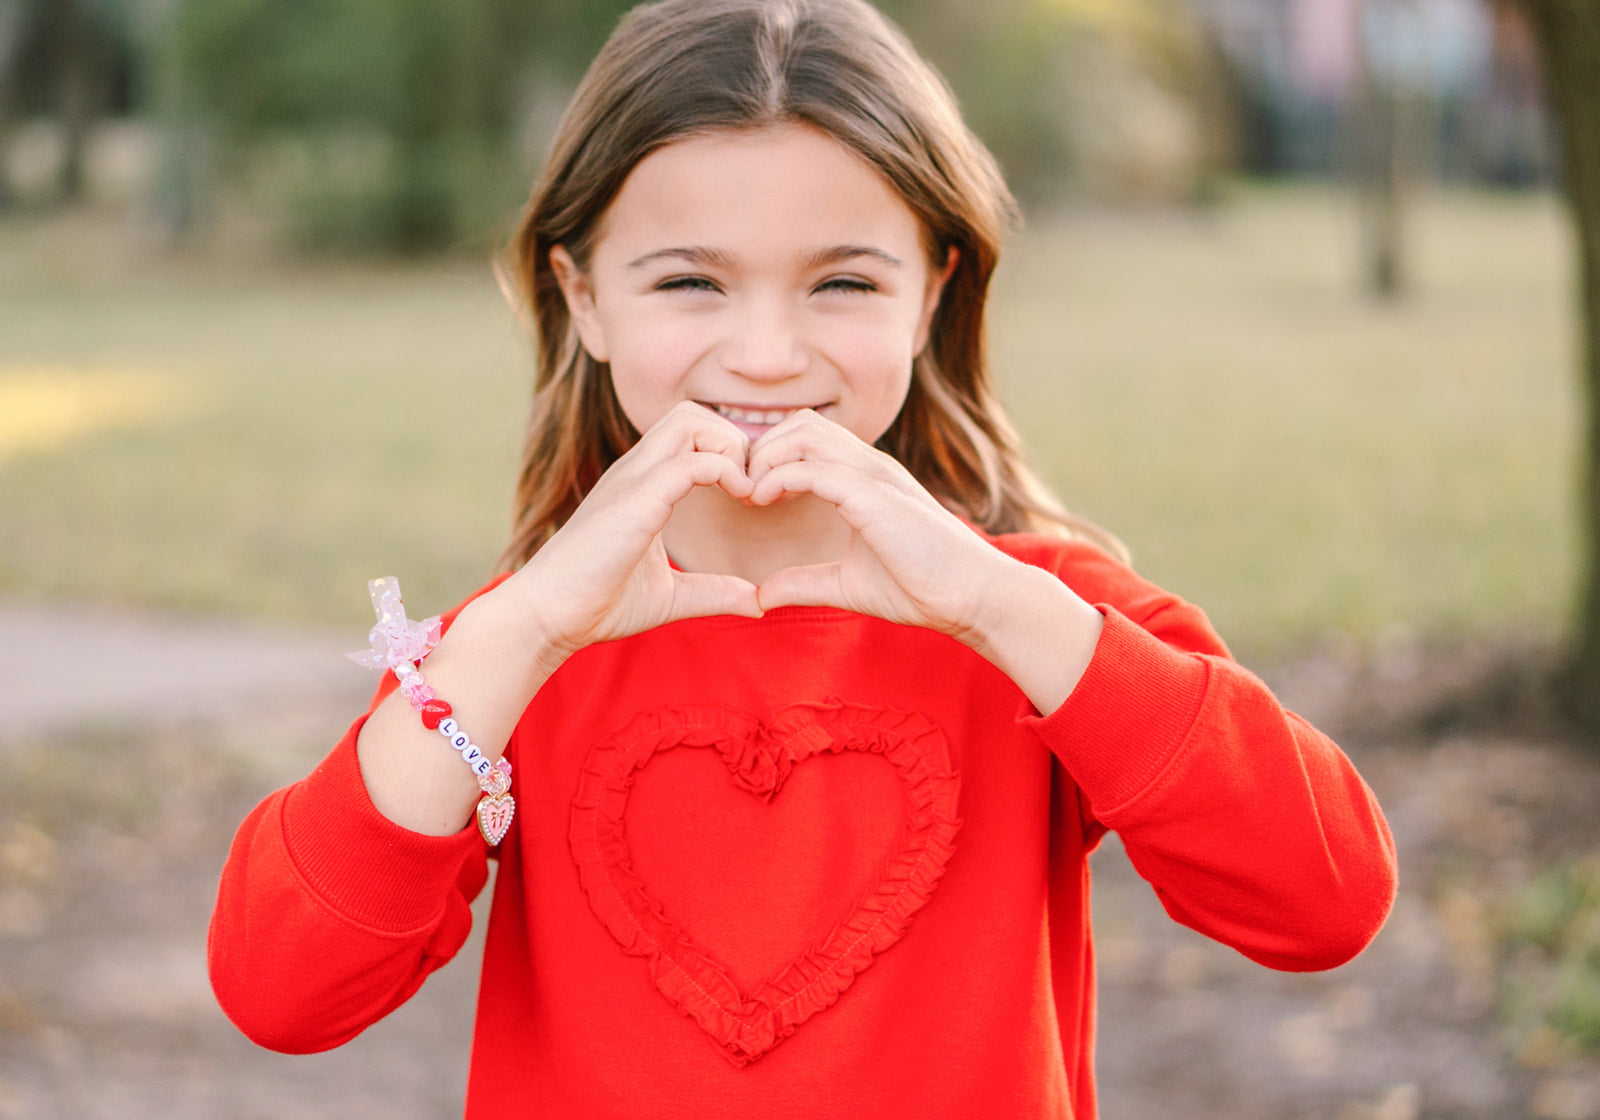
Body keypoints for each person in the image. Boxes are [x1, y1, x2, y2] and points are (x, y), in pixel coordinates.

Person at [207, 0, 1397, 1116]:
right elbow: (281, 991)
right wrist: (516, 635)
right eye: (689, 281)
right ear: (584, 298)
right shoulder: (505, 651)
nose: (767, 353)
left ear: (929, 293)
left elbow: (1326, 898)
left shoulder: (1043, 618)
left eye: (841, 281)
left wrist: (998, 605)